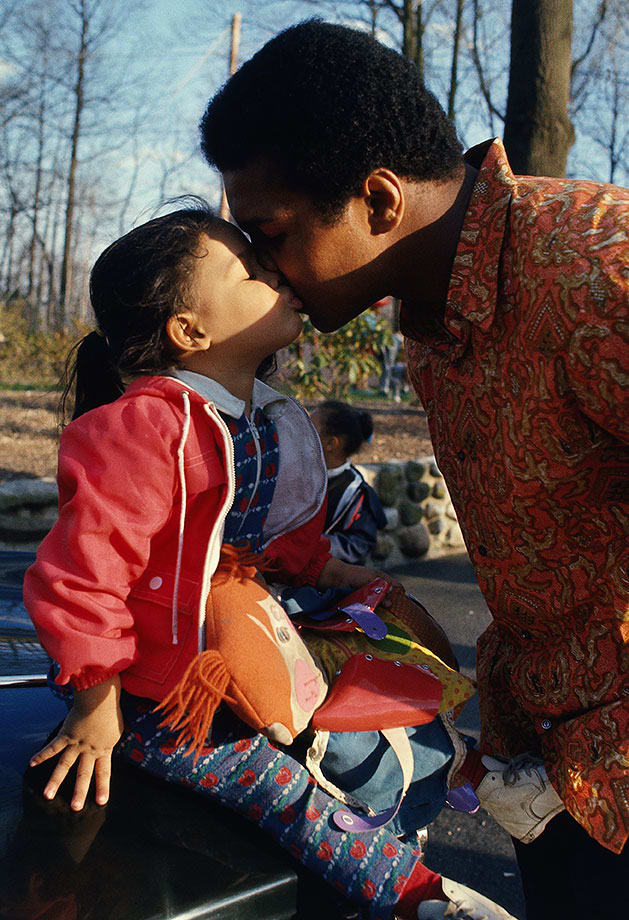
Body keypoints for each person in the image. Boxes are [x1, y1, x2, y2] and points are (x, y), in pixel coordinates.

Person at [199, 20, 629, 920]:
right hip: (541, 769)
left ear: (378, 200)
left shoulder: (596, 270)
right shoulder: (428, 319)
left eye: (269, 234)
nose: (265, 272)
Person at [24, 204, 516, 920]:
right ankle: (411, 894)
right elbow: (80, 580)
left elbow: (259, 531)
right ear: (190, 330)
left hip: (244, 632)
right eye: (252, 273)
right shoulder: (143, 427)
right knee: (276, 786)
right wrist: (96, 707)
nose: (279, 275)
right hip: (163, 690)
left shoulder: (256, 417)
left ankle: (477, 772)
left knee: (375, 670)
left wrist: (326, 572)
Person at [310, 400, 387, 565]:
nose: (300, 431)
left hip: (327, 575)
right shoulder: (300, 471)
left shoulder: (356, 492)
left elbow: (359, 544)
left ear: (331, 443)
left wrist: (313, 544)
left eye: (309, 428)